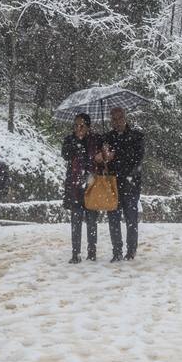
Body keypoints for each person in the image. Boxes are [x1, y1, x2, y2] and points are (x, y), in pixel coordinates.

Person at [104, 106, 145, 262]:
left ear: (125, 118)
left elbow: (137, 158)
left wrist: (116, 155)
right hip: (112, 183)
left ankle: (131, 250)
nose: (117, 121)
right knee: (113, 218)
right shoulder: (107, 138)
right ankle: (117, 251)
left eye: (120, 118)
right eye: (114, 119)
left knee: (131, 218)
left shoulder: (136, 136)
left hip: (131, 183)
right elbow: (104, 162)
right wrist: (104, 157)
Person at [61, 112, 97, 263]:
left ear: (88, 126)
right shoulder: (69, 140)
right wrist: (76, 144)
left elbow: (99, 158)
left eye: (81, 125)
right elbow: (65, 155)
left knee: (92, 220)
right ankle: (75, 253)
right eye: (75, 125)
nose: (78, 128)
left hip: (92, 184)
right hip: (75, 185)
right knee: (75, 220)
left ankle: (92, 252)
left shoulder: (95, 140)